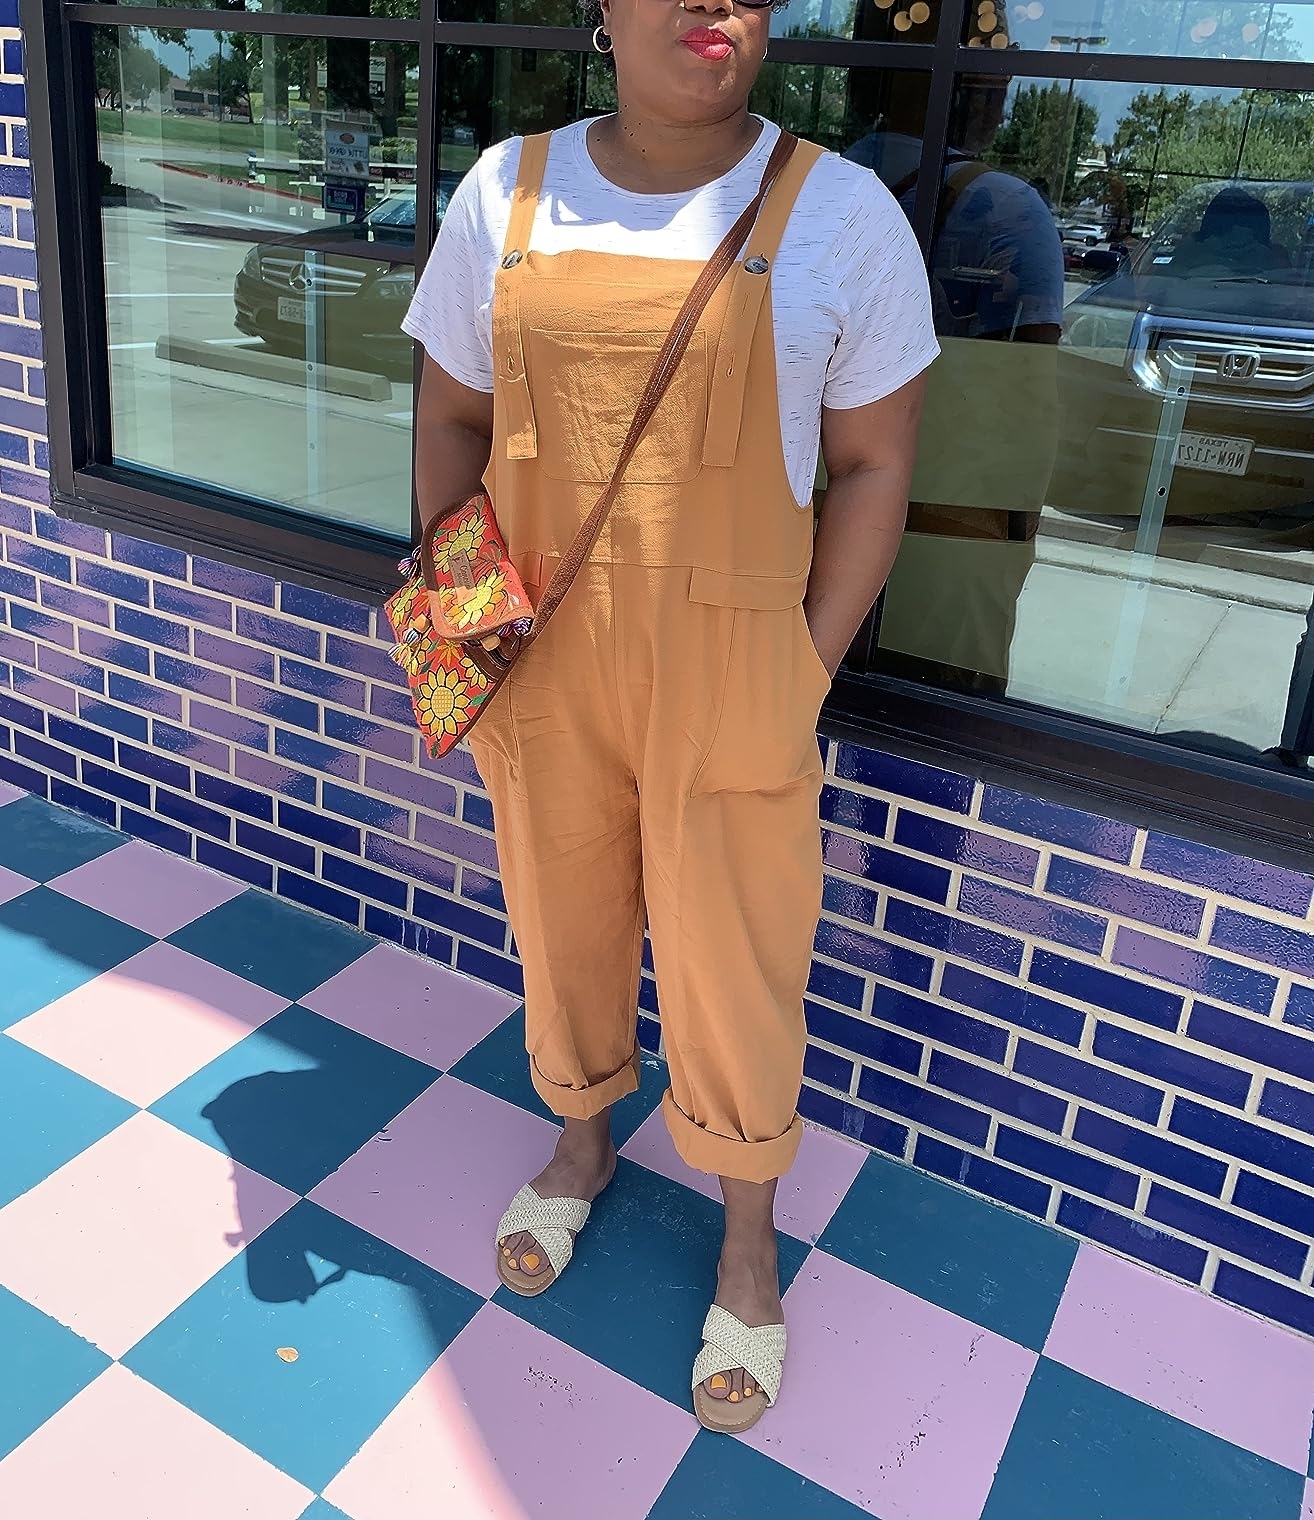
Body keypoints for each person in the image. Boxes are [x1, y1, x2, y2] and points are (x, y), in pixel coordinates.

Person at [403, 0, 937, 1434]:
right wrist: (462, 612)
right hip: (542, 656)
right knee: (560, 917)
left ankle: (749, 1241)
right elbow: (450, 418)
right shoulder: (504, 193)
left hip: (733, 671)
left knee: (737, 964)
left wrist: (800, 669)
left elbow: (874, 466)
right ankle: (582, 1140)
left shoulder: (842, 216)